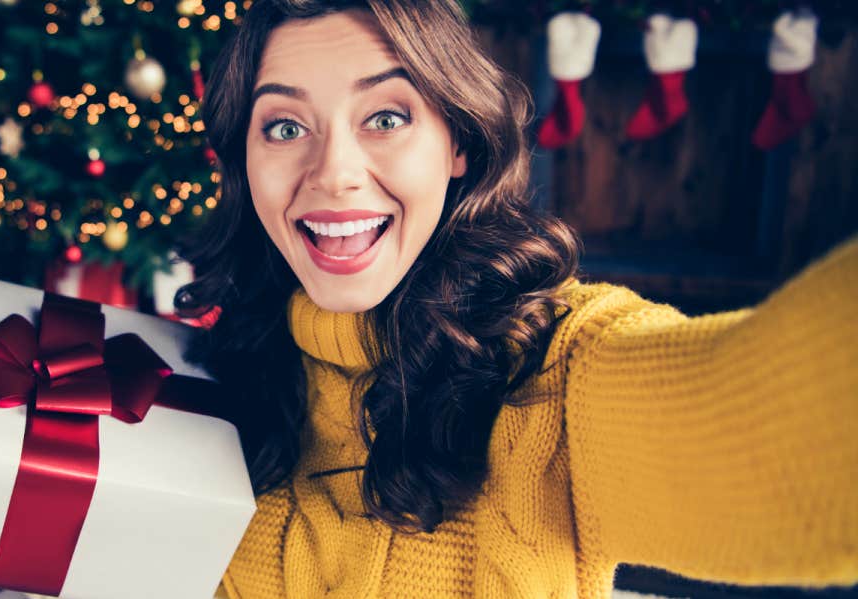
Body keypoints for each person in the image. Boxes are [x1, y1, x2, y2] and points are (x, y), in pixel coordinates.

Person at [173, 1, 858, 597]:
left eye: (385, 116)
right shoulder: (213, 365)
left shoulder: (557, 376)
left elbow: (802, 437)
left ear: (458, 143)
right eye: (285, 127)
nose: (333, 174)